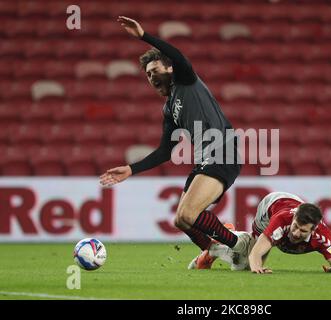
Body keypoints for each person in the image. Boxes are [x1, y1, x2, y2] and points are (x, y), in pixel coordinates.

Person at [99, 16, 249, 258]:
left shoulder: (186, 80)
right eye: (148, 74)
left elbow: (178, 56)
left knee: (189, 215)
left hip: (222, 152)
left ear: (169, 68)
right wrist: (130, 169)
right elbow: (164, 151)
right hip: (205, 159)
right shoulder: (169, 109)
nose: (151, 76)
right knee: (181, 221)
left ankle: (241, 245)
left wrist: (144, 37)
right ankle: (213, 251)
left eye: (154, 69)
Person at [189, 192, 331, 274]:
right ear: (294, 218)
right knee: (245, 264)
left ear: (313, 229)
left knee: (240, 267)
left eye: (303, 230)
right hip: (270, 206)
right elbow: (256, 254)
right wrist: (257, 268)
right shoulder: (281, 222)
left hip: (288, 205)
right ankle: (219, 245)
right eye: (295, 226)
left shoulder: (322, 237)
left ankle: (228, 237)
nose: (296, 233)